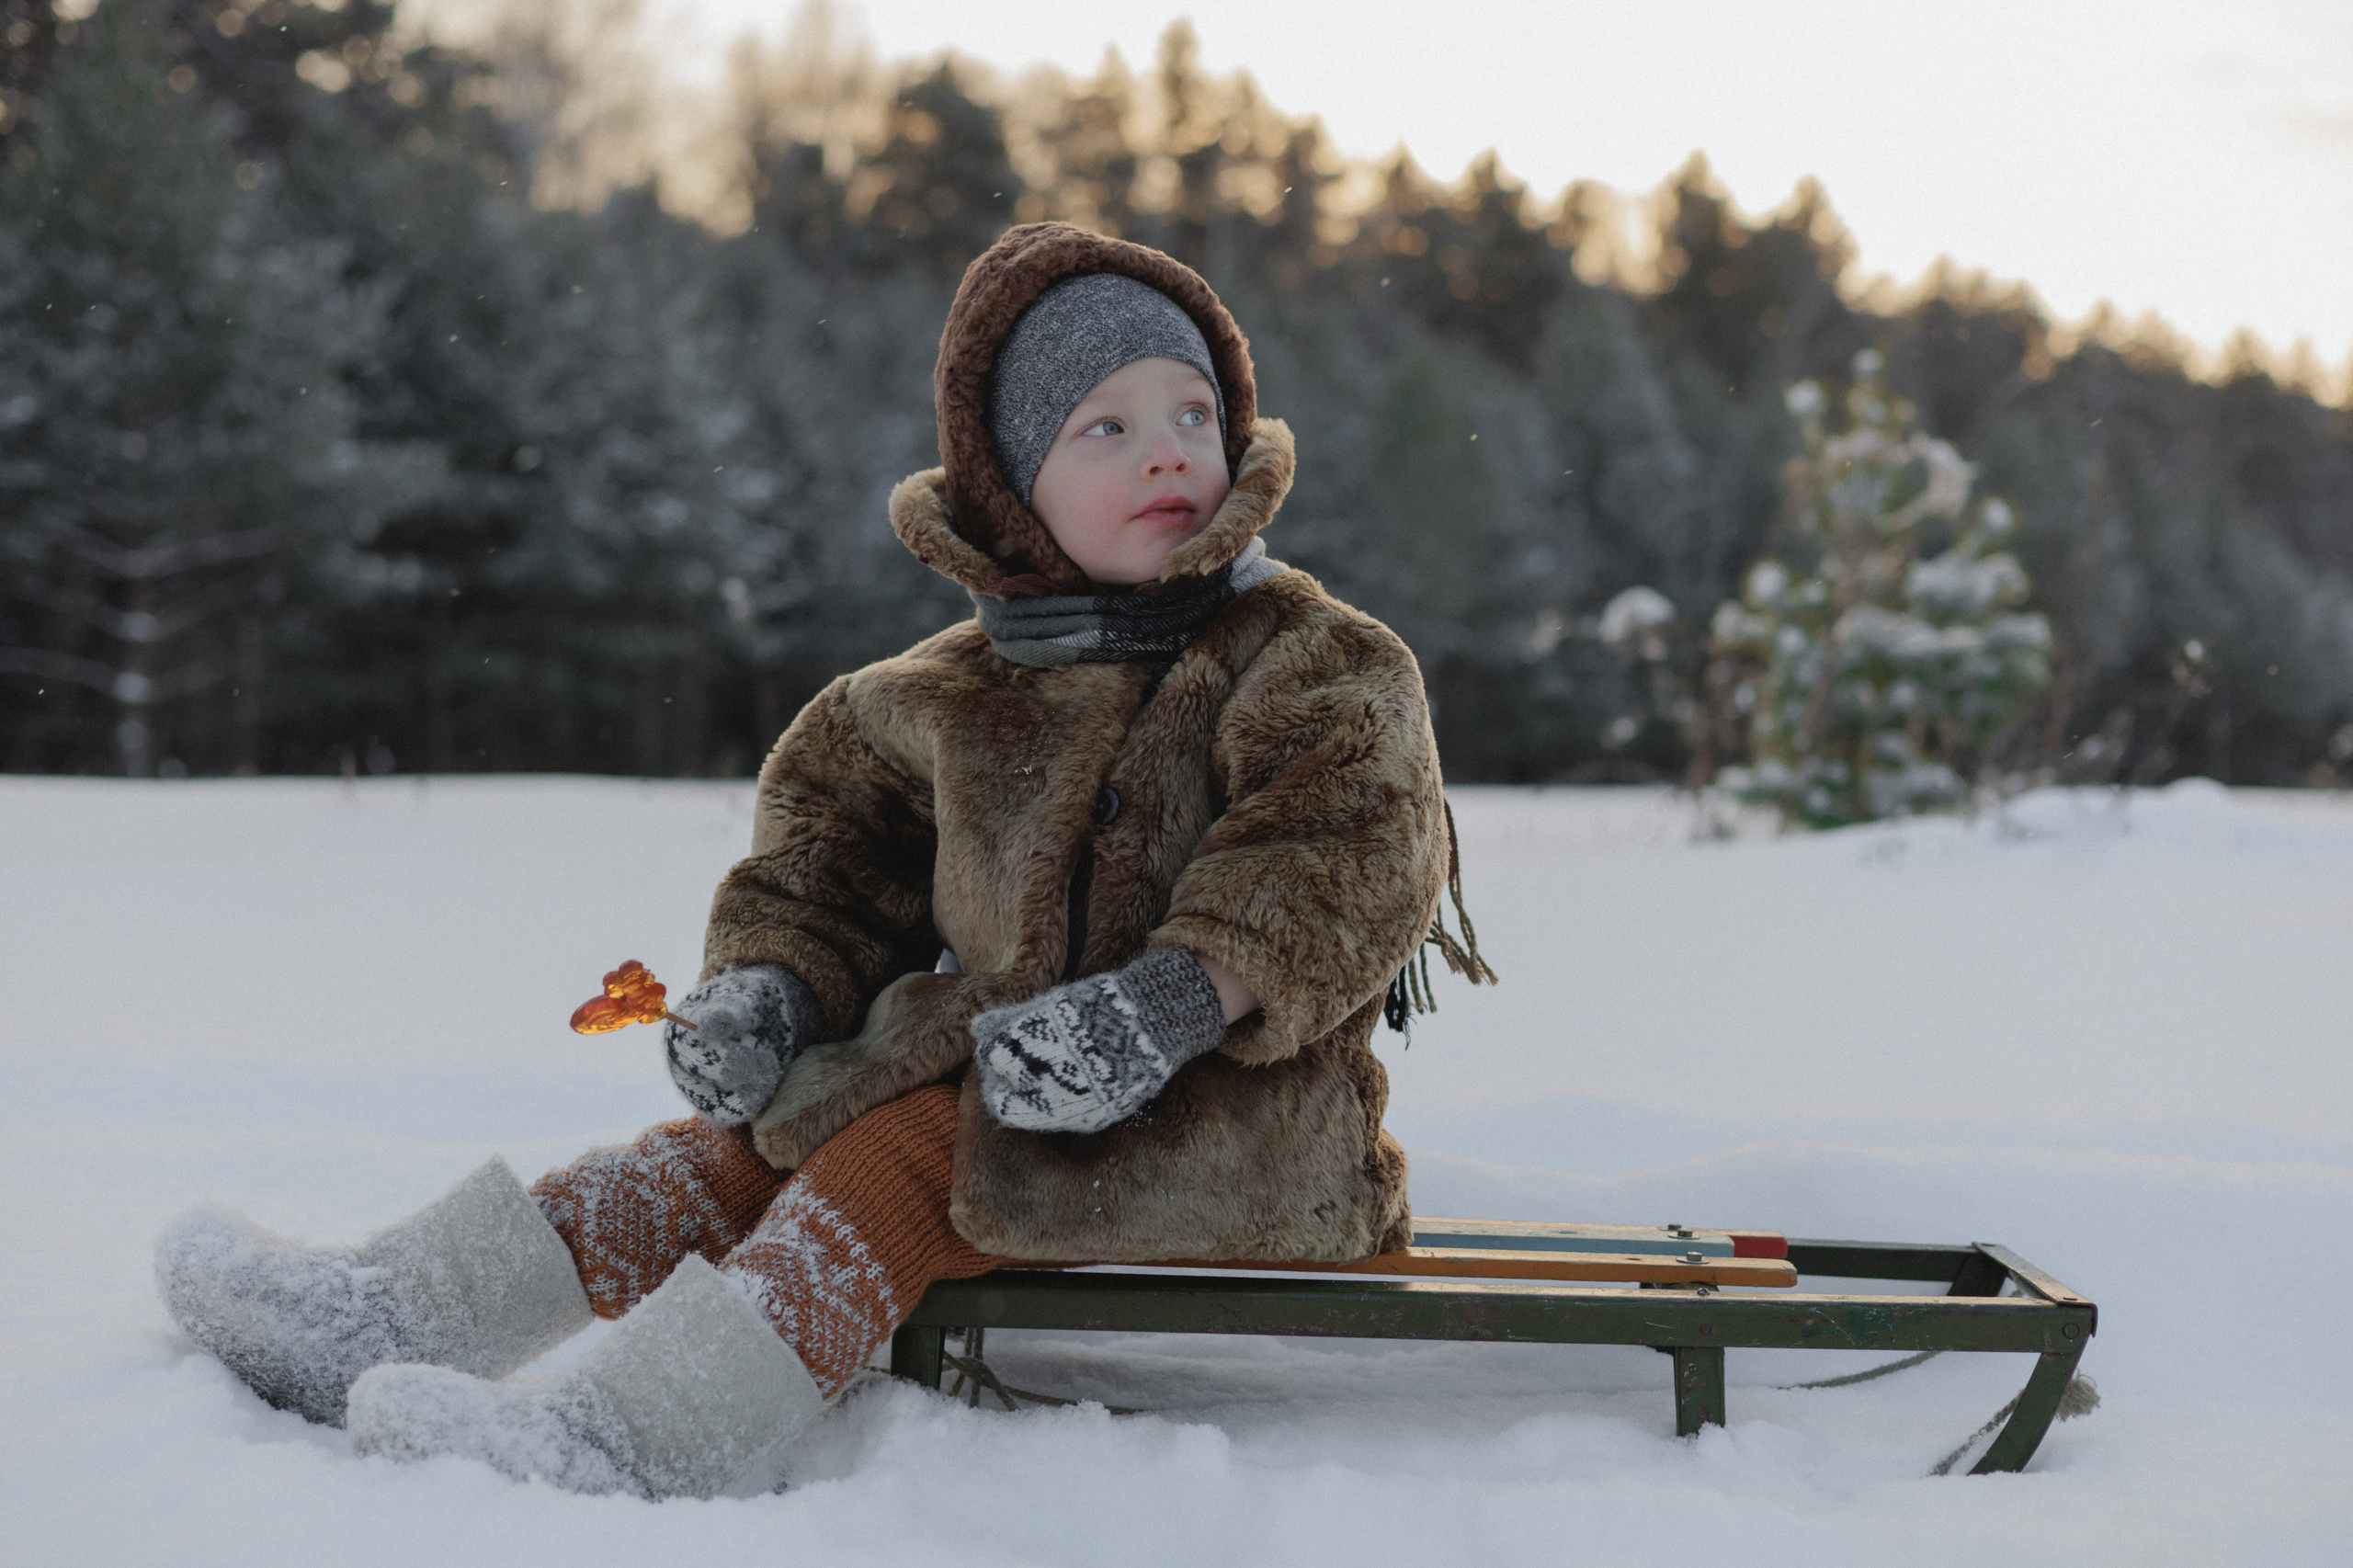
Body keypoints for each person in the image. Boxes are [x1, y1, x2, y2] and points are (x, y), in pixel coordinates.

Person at [153, 223, 1485, 1499]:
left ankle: (632, 1437)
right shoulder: (932, 697)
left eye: (1193, 413)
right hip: (997, 1082)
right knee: (723, 1155)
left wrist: (1169, 1005)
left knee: (898, 1159)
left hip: (1228, 1125)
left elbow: (1343, 853)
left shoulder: (1310, 656)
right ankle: (386, 1311)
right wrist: (770, 994)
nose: (1168, 455)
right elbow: (827, 875)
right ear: (1015, 490)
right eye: (1109, 427)